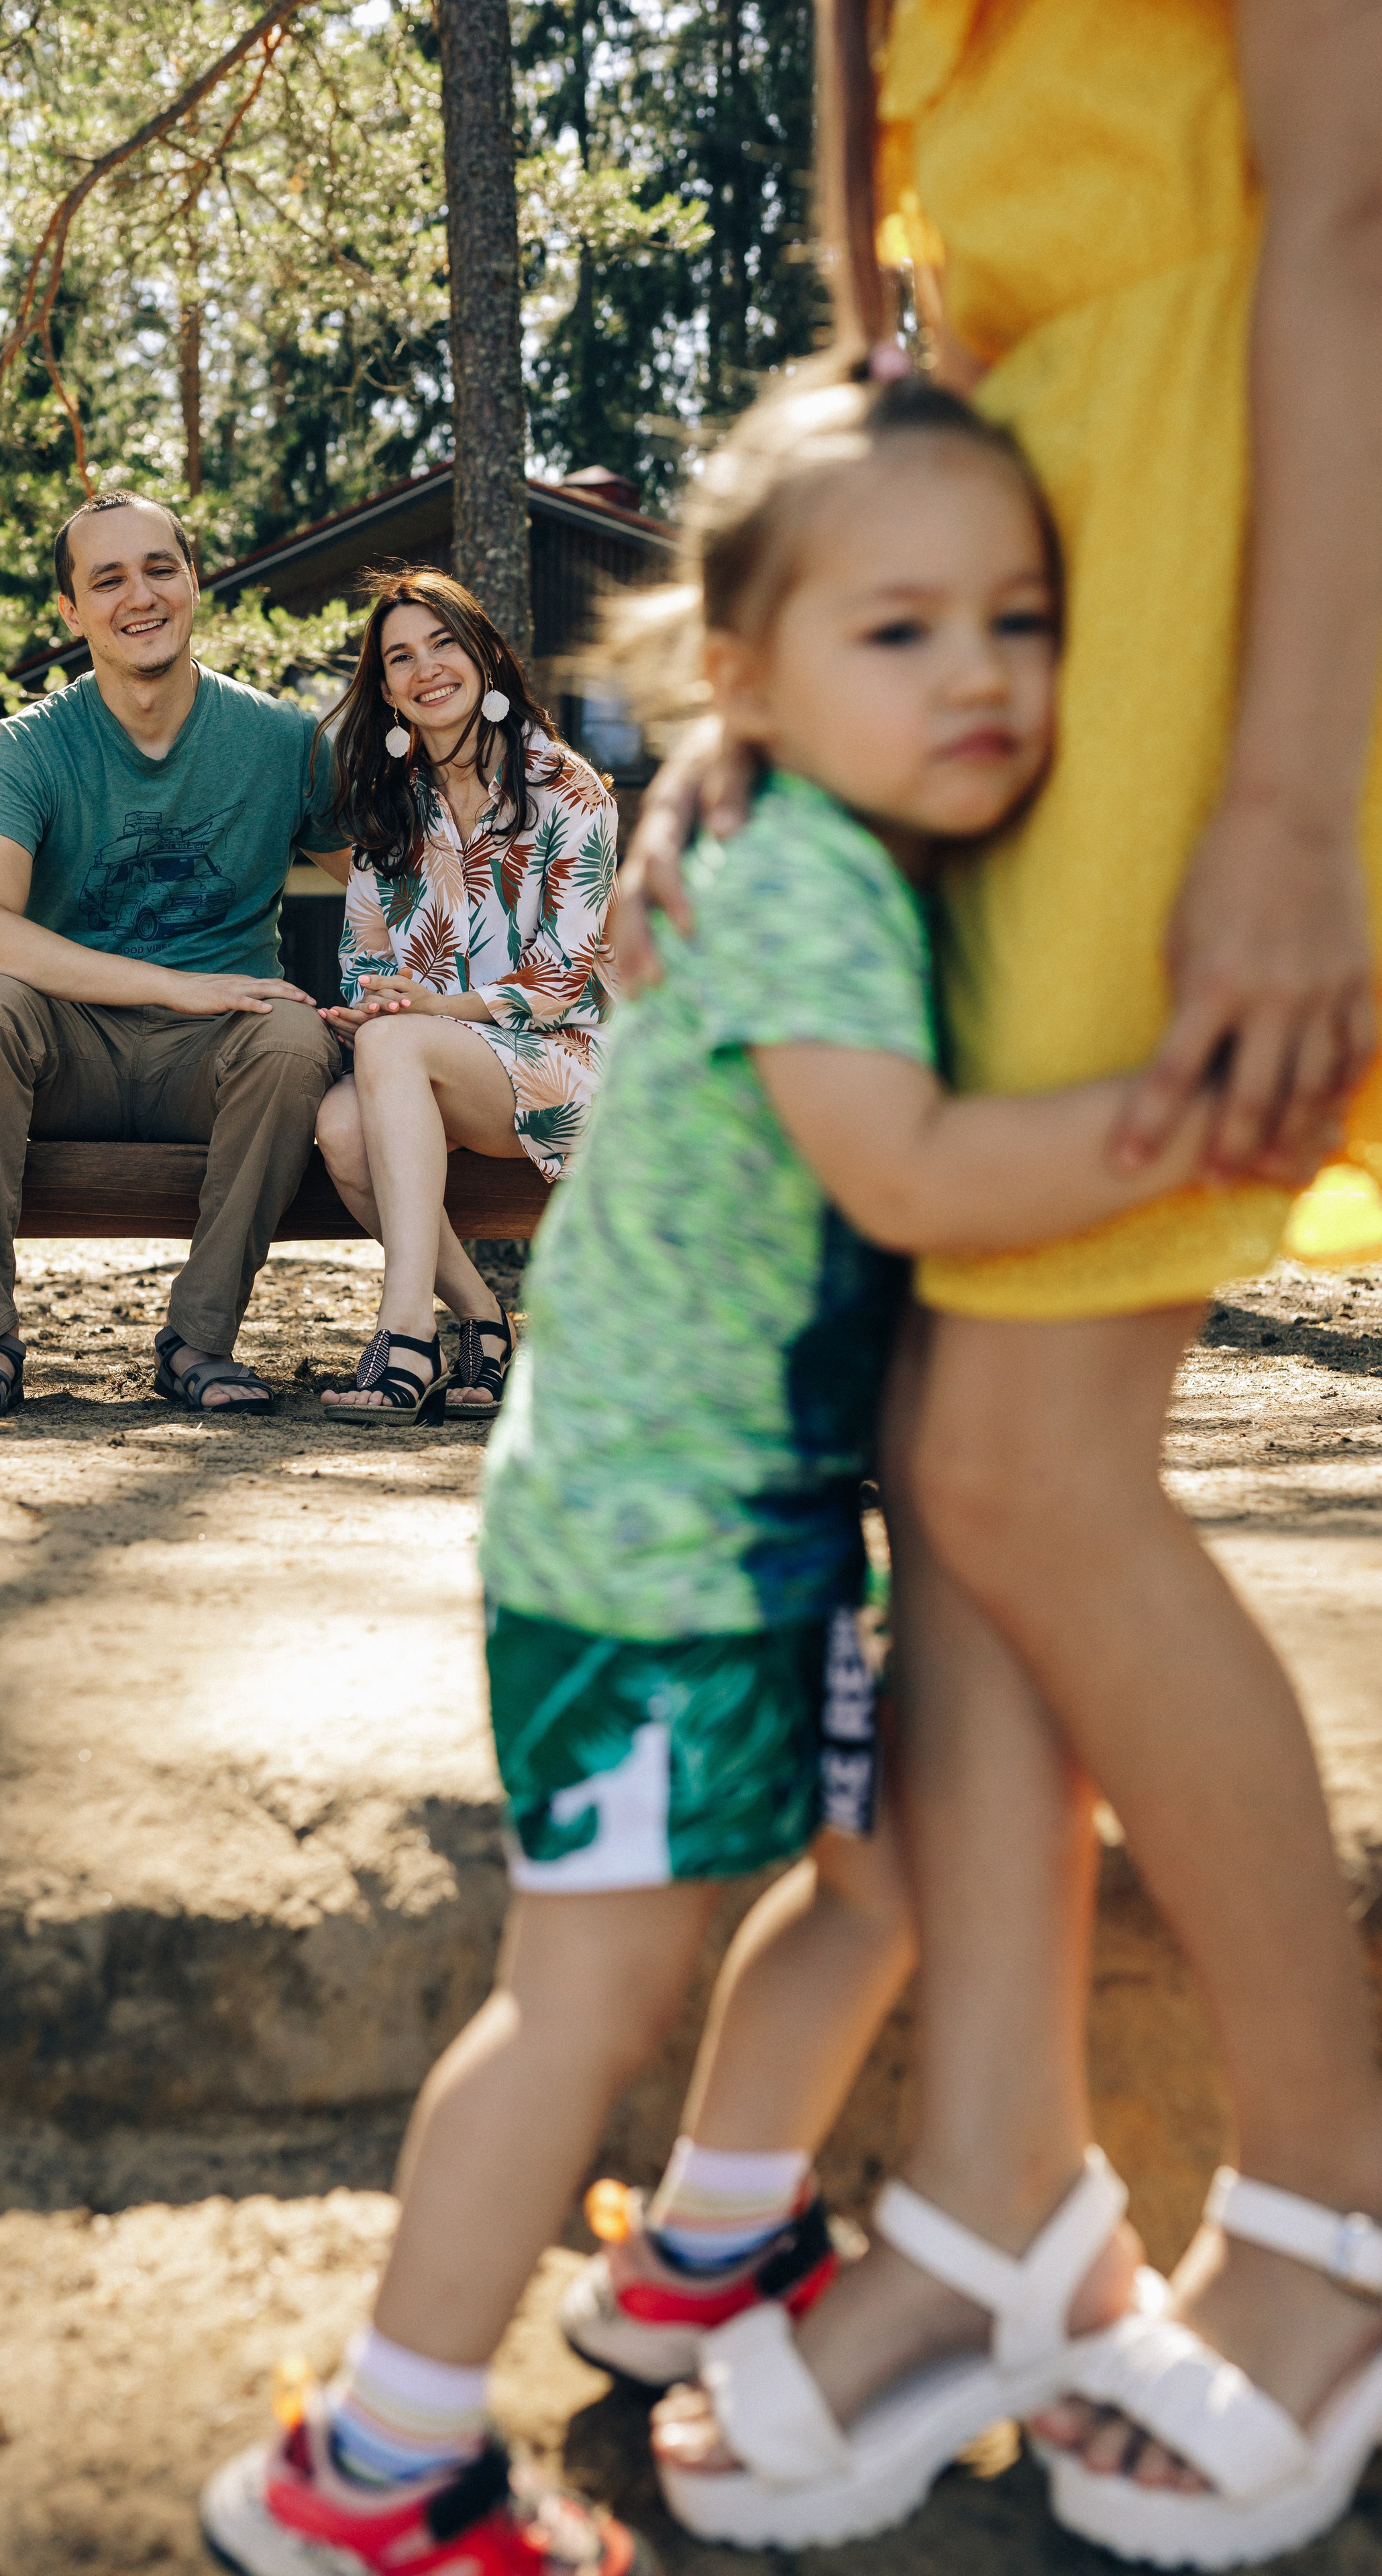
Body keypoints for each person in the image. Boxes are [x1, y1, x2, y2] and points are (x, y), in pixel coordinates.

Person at [198, 374, 1224, 2576]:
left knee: (877, 1869)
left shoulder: (787, 836)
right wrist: (1192, 1114)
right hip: (650, 1560)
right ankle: (368, 2470)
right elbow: (912, 1162)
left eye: (1017, 624)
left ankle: (700, 2251)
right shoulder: (816, 883)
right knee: (580, 1994)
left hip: (728, 1531)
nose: (973, 673)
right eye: (897, 630)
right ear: (746, 678)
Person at [620, 3, 1382, 2563]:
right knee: (940, 1440)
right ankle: (988, 2188)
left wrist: (1283, 805)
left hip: (1240, 529)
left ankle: (1330, 2209)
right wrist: (772, 696)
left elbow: (1346, 191)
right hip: (1032, 548)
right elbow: (906, 298)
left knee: (1015, 1453)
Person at [0, 489, 348, 1420]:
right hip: (65, 1047)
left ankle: (198, 1343)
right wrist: (171, 986)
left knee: (293, 1037)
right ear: (71, 611)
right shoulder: (27, 748)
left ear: (195, 581)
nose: (138, 595)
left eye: (160, 568)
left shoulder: (282, 742)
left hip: (217, 1057)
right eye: (107, 579)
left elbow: (396, 882)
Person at [311, 570, 617, 1426]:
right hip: (428, 1063)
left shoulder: (568, 789)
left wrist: (426, 1016)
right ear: (387, 692)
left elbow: (562, 980)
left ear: (484, 653)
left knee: (395, 1046)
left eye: (443, 642)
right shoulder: (387, 808)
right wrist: (372, 1007)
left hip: (568, 1062)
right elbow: (361, 959)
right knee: (339, 1129)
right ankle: (481, 1318)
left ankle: (404, 1332)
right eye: (400, 657)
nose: (426, 668)